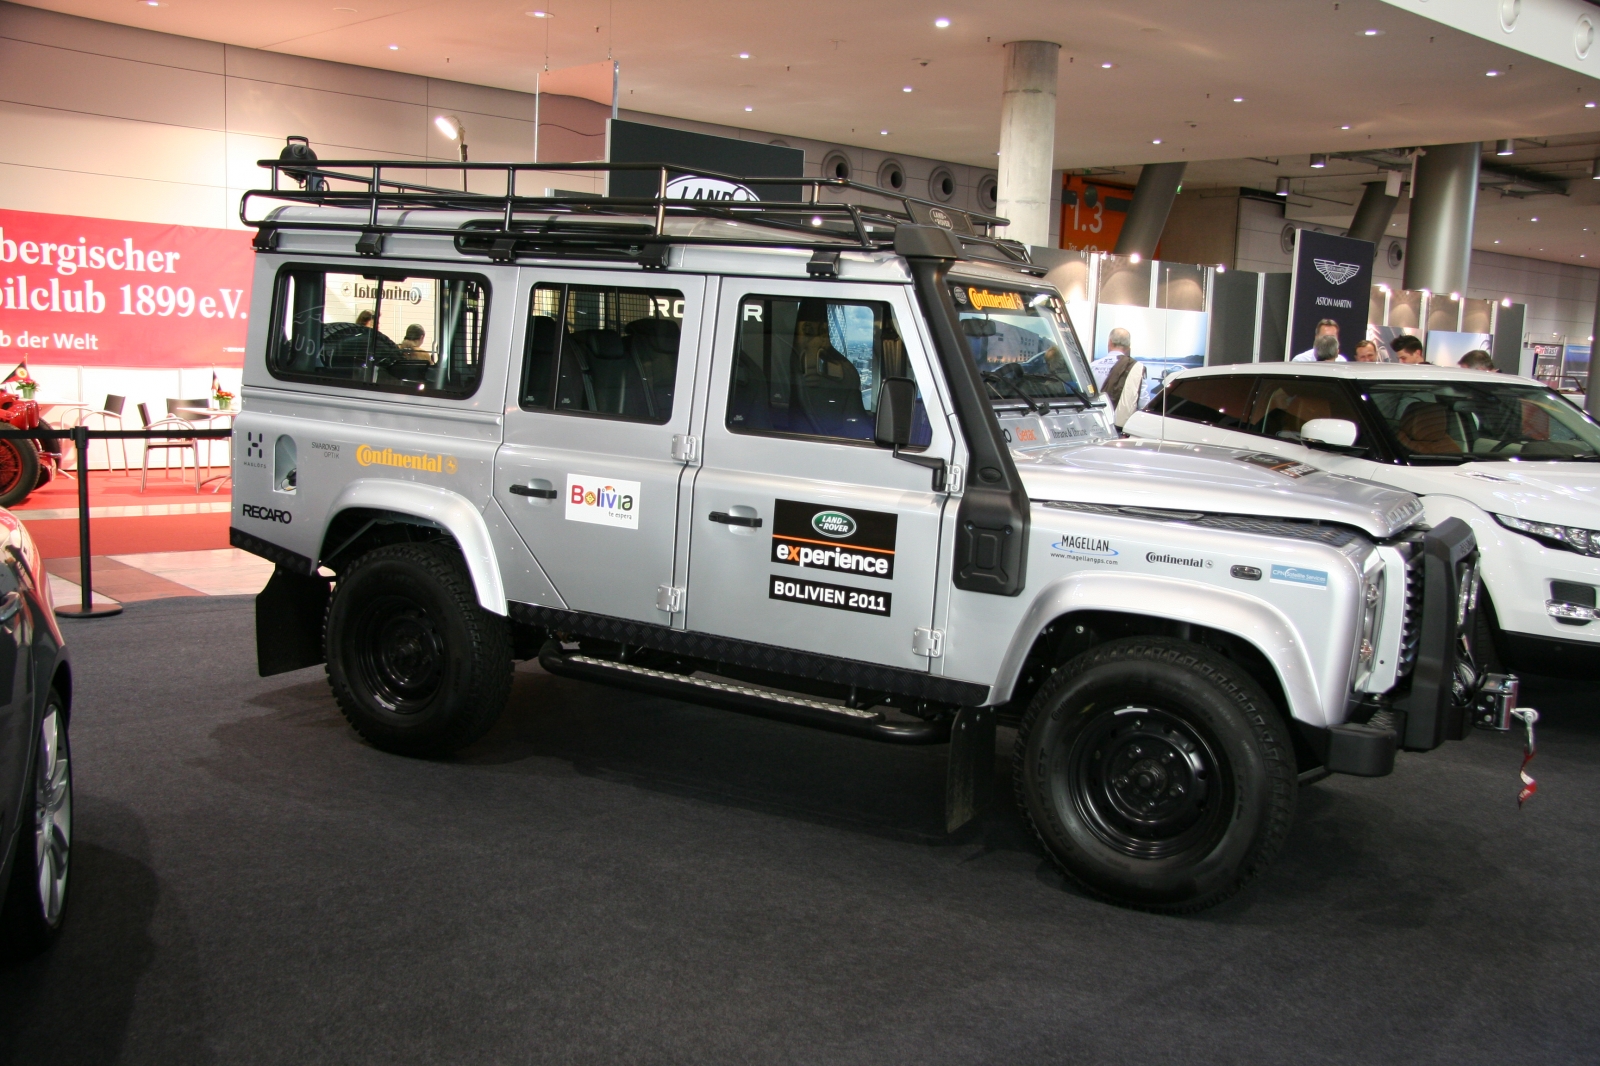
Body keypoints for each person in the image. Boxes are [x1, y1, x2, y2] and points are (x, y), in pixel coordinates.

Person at [1098, 327, 1146, 429]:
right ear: (1129, 346)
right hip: (1122, 427)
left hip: (1097, 424)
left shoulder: (1092, 366)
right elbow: (1143, 403)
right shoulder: (1137, 368)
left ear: (1109, 342)